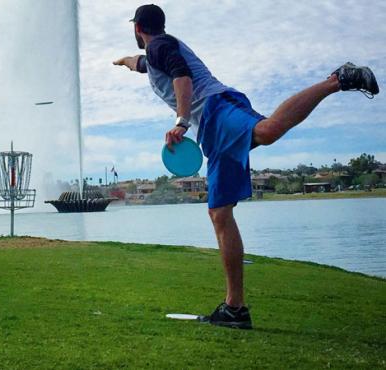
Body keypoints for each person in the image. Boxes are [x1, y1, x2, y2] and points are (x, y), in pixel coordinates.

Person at [113, 4, 379, 329]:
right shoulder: (154, 53)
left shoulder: (159, 46)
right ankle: (235, 309)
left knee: (266, 132)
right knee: (219, 213)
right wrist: (122, 61)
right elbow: (138, 64)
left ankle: (338, 79)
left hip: (216, 108)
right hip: (212, 124)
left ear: (138, 28)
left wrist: (181, 121)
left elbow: (182, 76)